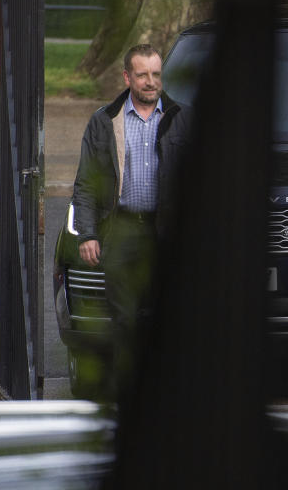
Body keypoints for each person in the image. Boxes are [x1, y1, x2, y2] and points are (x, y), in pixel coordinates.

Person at [72, 43, 191, 394]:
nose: (151, 82)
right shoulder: (104, 121)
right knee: (123, 317)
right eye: (142, 75)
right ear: (127, 77)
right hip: (121, 230)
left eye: (156, 74)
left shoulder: (182, 118)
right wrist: (87, 234)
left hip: (164, 231)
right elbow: (84, 183)